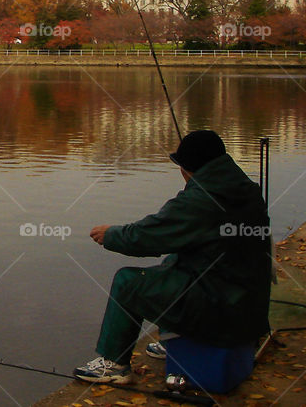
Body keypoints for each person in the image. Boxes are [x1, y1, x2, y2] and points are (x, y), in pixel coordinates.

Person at [73, 130, 272, 384]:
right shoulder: (246, 189)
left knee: (128, 281)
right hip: (247, 308)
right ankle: (176, 340)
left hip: (221, 311)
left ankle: (114, 365)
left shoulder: (201, 200)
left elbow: (148, 236)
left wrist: (111, 235)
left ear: (187, 168)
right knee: (174, 261)